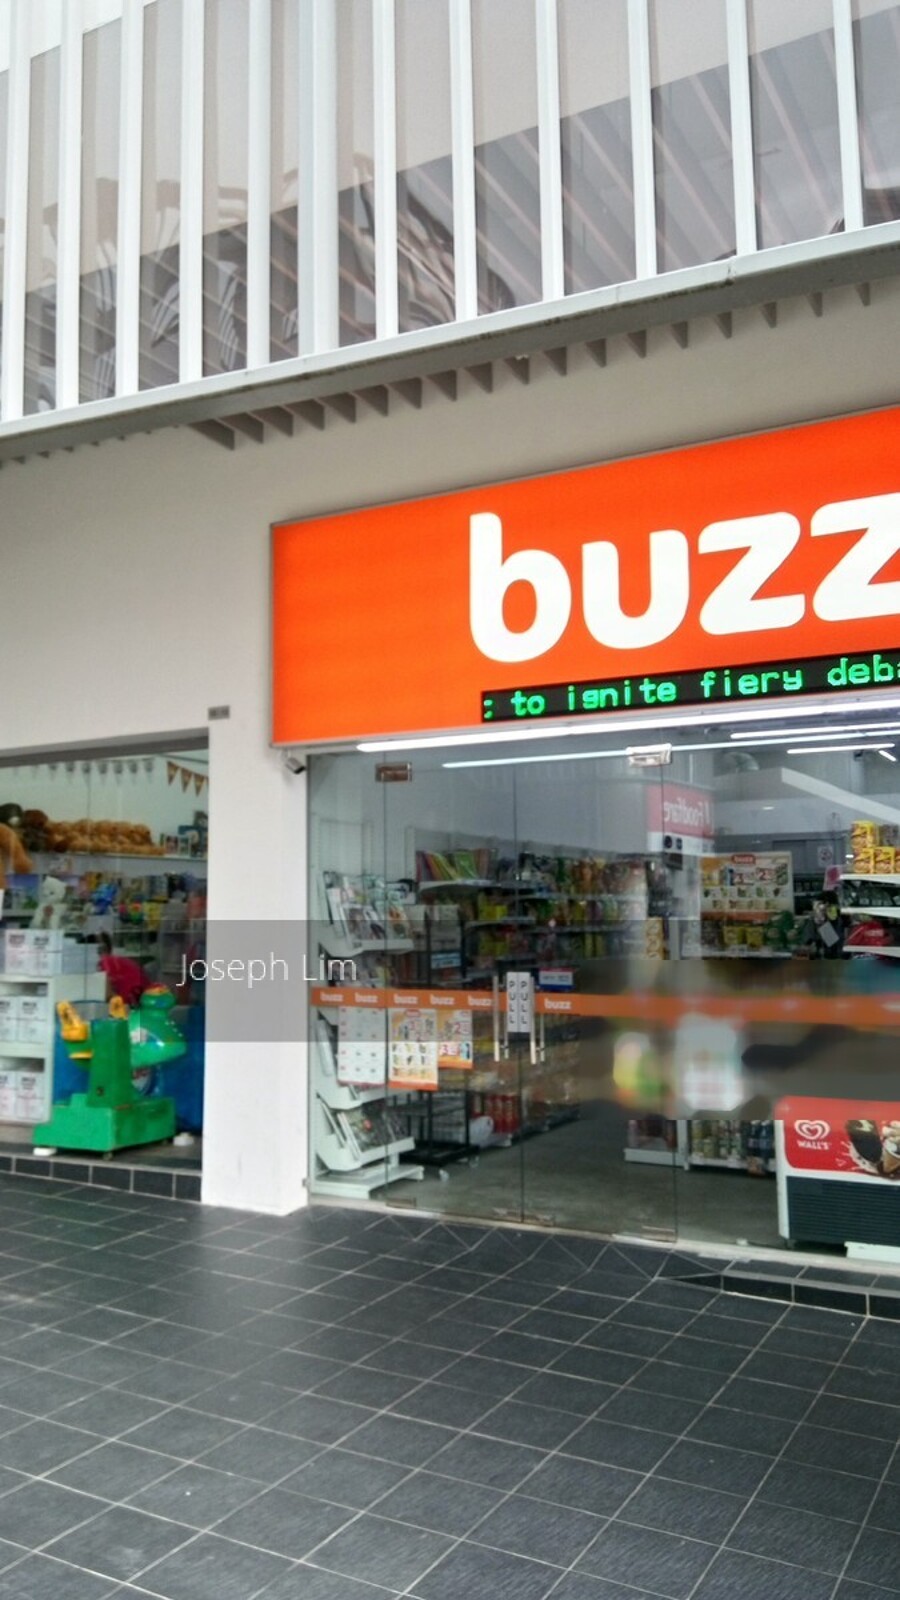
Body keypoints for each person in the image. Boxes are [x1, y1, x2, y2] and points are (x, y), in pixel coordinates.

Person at [97, 932, 154, 1007]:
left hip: (138, 999)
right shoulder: (115, 961)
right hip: (146, 997)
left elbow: (108, 994)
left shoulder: (106, 962)